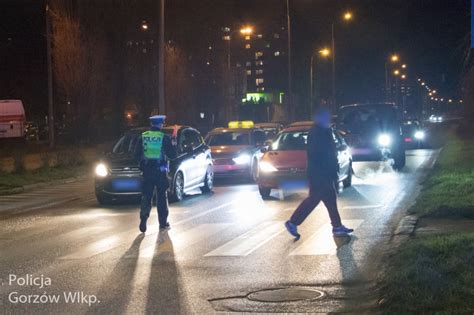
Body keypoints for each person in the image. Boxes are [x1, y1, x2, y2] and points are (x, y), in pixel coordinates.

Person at [285, 108, 354, 239]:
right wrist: (328, 169)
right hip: (321, 173)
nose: (329, 119)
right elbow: (318, 153)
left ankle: (337, 226)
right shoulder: (318, 132)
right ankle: (293, 222)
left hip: (323, 172)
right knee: (314, 199)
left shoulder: (323, 130)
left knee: (330, 199)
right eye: (327, 117)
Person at [137, 115, 177, 233]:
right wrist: (174, 143)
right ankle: (163, 223)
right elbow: (173, 156)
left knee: (146, 196)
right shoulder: (164, 138)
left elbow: (136, 154)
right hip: (160, 172)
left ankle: (144, 218)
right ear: (161, 124)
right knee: (161, 197)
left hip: (147, 172)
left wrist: (142, 166)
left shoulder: (143, 137)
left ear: (151, 124)